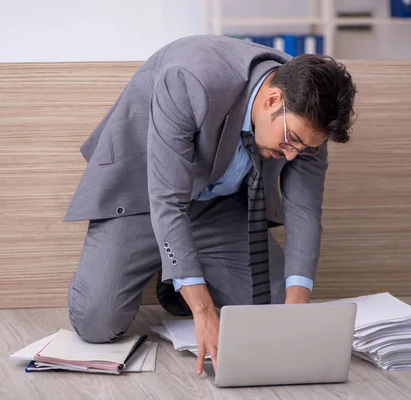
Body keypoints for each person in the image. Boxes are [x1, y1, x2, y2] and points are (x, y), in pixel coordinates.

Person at [63, 34, 357, 375]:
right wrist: (202, 310)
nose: (292, 155)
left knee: (275, 311)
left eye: (305, 148)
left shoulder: (307, 121)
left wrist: (295, 313)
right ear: (272, 99)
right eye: (290, 141)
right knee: (96, 323)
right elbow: (167, 200)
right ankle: (181, 271)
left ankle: (180, 274)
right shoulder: (191, 78)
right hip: (142, 200)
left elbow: (304, 210)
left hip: (218, 208)